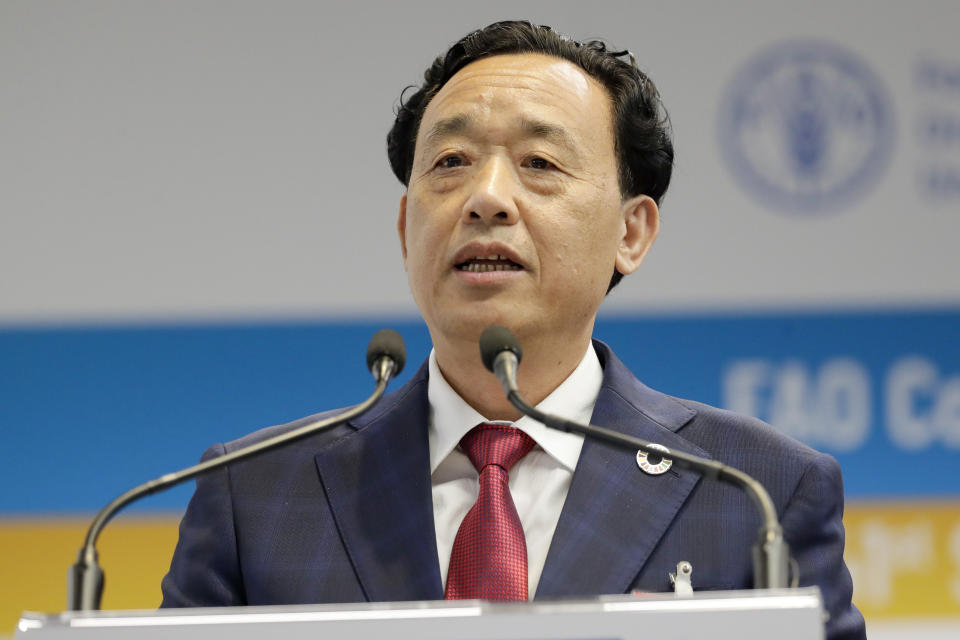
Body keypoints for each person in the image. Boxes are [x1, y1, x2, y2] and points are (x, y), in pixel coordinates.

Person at [161, 20, 866, 640]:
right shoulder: (254, 498)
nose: (487, 198)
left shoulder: (755, 492)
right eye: (451, 163)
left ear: (631, 231)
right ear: (407, 229)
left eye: (539, 164)